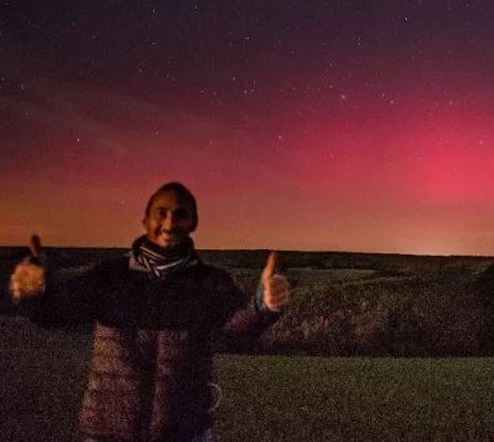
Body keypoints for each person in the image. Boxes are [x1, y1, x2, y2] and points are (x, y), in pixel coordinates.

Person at [8, 182, 290, 442]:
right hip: (109, 434)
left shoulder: (210, 282)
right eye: (161, 213)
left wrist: (264, 306)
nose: (170, 223)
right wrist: (32, 295)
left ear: (193, 223)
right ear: (145, 220)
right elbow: (56, 312)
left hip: (185, 433)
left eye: (180, 214)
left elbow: (234, 330)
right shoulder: (111, 276)